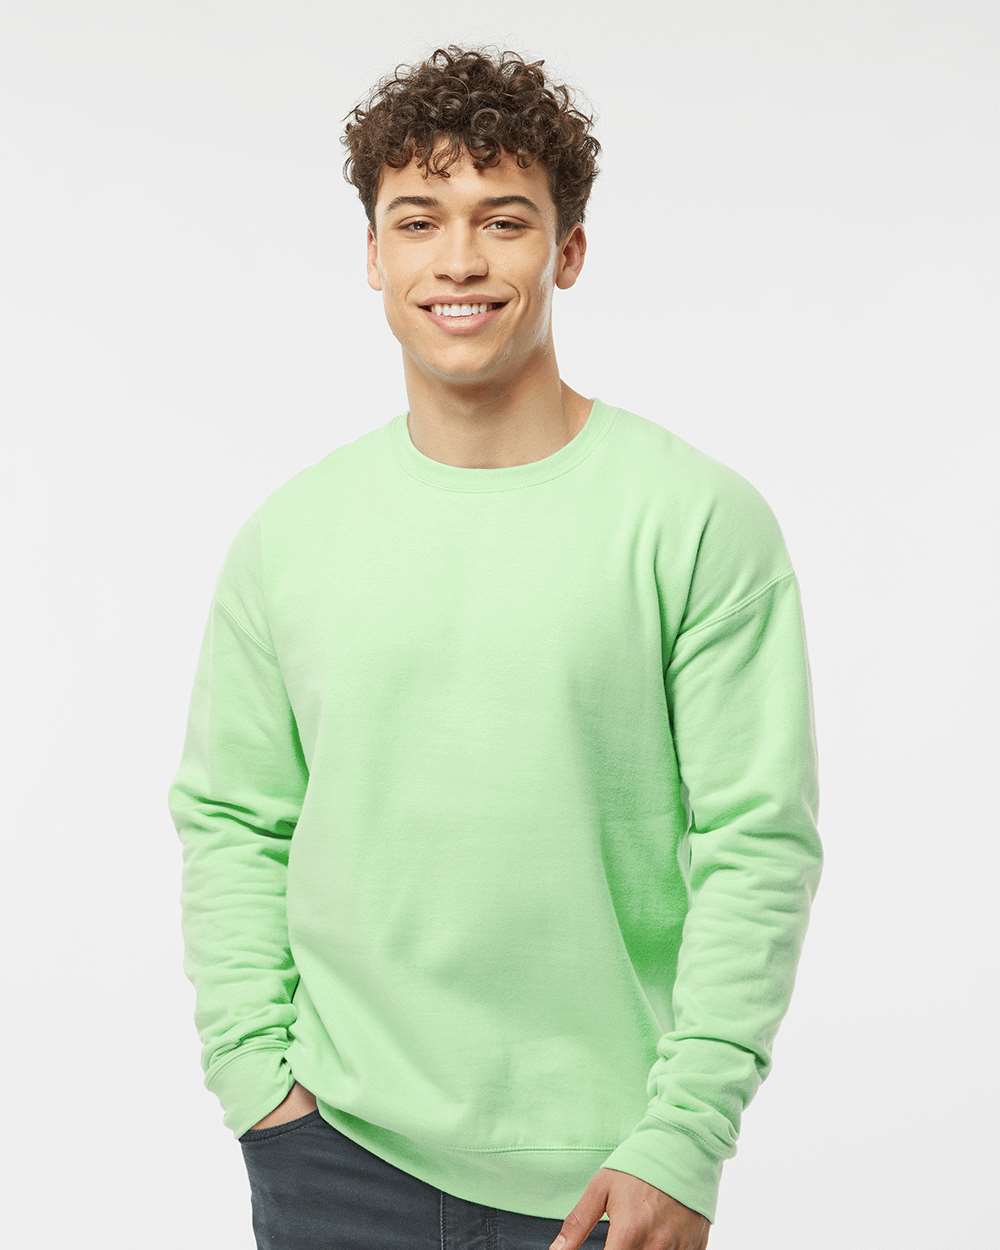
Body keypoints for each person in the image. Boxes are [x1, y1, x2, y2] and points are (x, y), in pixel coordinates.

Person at [167, 42, 823, 1250]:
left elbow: (756, 843)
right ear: (373, 253)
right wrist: (258, 1082)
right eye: (418, 220)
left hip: (608, 1176)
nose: (458, 260)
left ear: (567, 251)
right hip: (332, 1153)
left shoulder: (693, 519)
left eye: (503, 220)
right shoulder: (290, 537)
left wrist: (683, 1136)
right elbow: (233, 821)